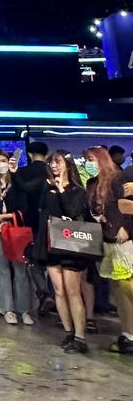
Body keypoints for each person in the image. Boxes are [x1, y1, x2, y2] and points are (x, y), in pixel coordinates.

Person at [36, 151, 93, 354]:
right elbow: (42, 212)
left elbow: (73, 212)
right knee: (59, 291)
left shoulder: (77, 190)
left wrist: (61, 190)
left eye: (58, 162)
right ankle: (69, 332)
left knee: (72, 291)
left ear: (67, 164)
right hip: (51, 245)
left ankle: (80, 336)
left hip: (71, 246)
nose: (54, 166)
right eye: (51, 162)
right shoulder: (47, 188)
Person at [85, 146, 133, 355]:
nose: (88, 164)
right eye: (86, 160)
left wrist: (128, 229)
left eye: (91, 160)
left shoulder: (118, 180)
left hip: (124, 242)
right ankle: (128, 335)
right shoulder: (91, 184)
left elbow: (129, 207)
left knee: (127, 286)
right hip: (107, 241)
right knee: (119, 291)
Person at [0, 150, 33, 325]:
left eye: (3, 160)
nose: (0, 164)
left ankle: (24, 309)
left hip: (16, 230)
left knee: (20, 270)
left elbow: (25, 208)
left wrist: (6, 216)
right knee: (3, 269)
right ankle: (7, 308)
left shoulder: (17, 180)